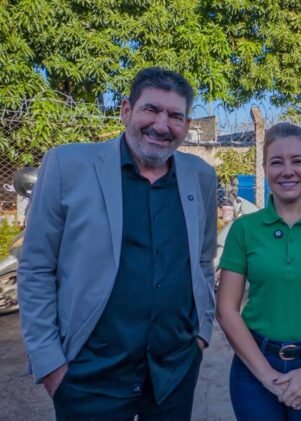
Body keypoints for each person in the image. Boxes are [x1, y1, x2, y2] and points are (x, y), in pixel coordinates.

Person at [18, 67, 218, 420]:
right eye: (151, 109)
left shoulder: (200, 176)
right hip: (89, 374)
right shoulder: (67, 164)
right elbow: (36, 267)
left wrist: (201, 331)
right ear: (126, 110)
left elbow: (203, 258)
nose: (162, 125)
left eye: (175, 116)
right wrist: (49, 363)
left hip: (173, 370)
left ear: (187, 124)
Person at [216, 122, 301, 420]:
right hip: (254, 366)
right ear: (265, 168)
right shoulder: (244, 229)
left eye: (298, 161)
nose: (288, 171)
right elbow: (226, 309)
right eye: (277, 162)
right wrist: (267, 376)